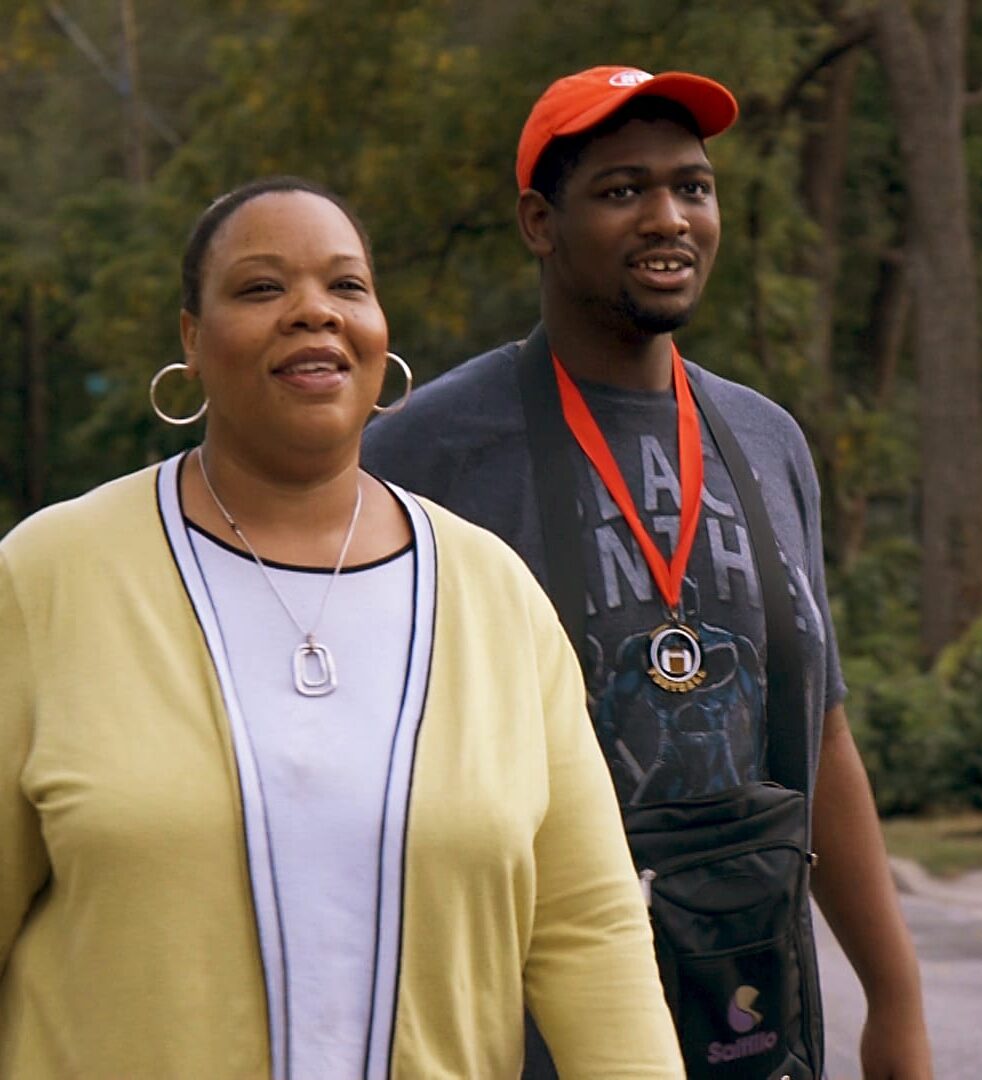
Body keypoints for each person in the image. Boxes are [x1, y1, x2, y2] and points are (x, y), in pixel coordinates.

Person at [0, 176, 683, 1078]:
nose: (313, 311)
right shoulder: (48, 576)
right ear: (192, 341)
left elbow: (589, 929)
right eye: (261, 287)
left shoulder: (493, 596)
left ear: (379, 333)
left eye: (347, 285)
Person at [363, 67, 933, 1078]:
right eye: (623, 190)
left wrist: (894, 1000)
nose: (668, 218)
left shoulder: (766, 441)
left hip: (754, 1011)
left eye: (691, 187)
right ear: (541, 223)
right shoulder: (425, 454)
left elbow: (821, 732)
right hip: (527, 1031)